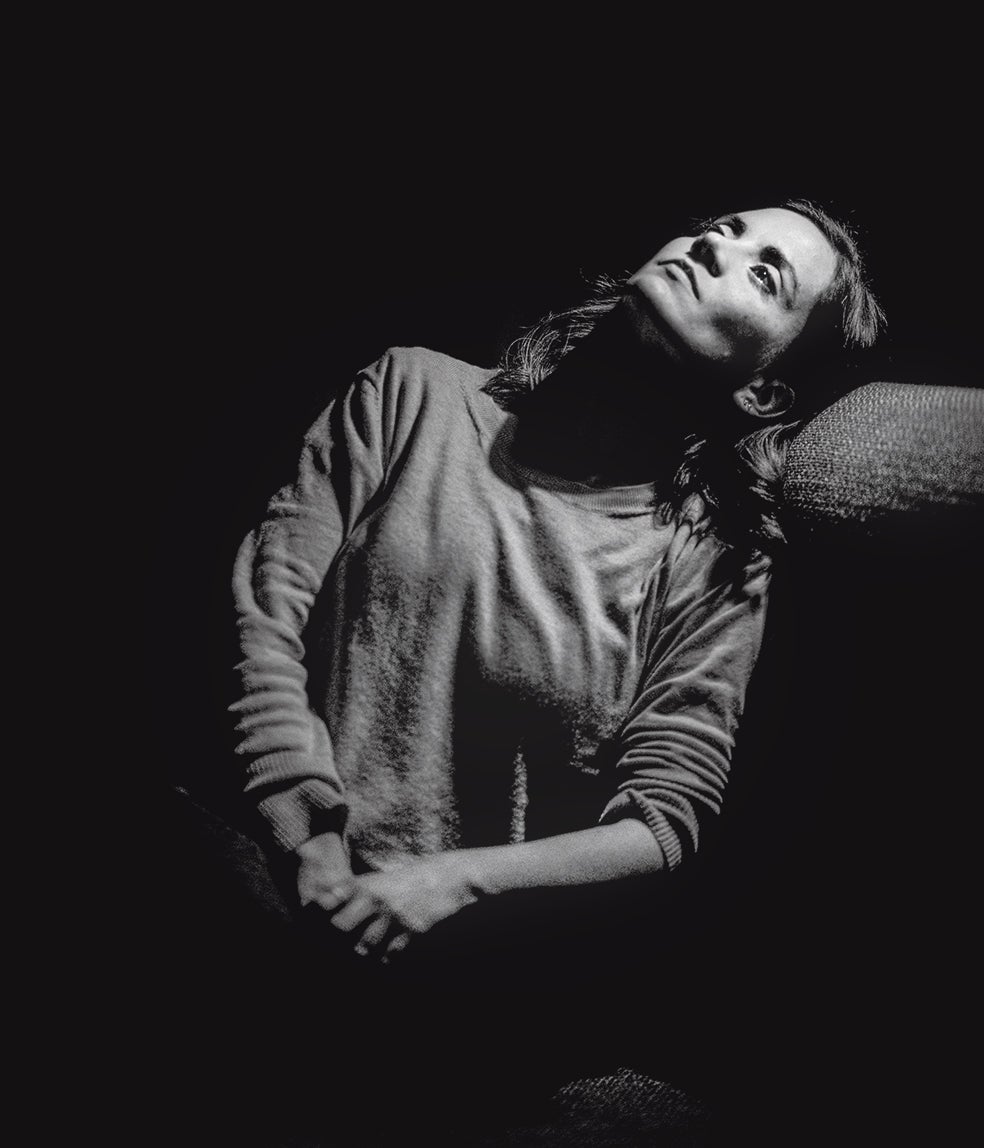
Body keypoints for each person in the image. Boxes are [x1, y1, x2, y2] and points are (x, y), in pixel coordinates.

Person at [226, 201, 884, 1139]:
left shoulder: (713, 558)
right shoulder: (413, 390)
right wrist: (309, 835)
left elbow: (664, 821)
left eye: (765, 271)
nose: (715, 244)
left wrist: (449, 883)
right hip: (263, 871)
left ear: (766, 392)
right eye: (725, 227)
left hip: (461, 997)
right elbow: (265, 610)